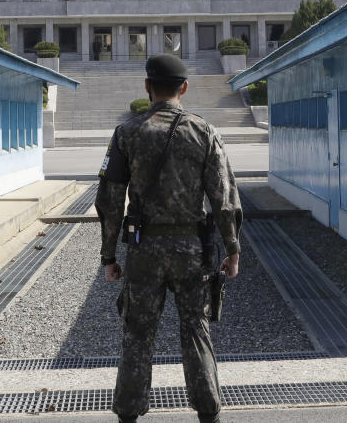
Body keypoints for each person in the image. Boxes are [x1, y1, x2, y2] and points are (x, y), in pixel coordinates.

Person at [96, 53, 242, 423]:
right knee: (196, 327)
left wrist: (108, 256)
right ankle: (208, 412)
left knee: (138, 332)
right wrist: (232, 248)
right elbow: (223, 197)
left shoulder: (127, 133)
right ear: (185, 88)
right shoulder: (203, 132)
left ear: (147, 87)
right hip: (192, 250)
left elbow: (110, 201)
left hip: (144, 250)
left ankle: (128, 414)